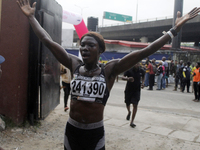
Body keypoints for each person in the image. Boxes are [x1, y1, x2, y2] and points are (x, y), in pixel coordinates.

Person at [17, 1, 200, 149]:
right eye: (82, 45)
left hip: (95, 133)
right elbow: (47, 41)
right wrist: (32, 18)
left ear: (100, 50)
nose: (84, 48)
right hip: (72, 130)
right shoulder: (74, 64)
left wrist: (173, 30)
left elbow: (146, 50)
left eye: (90, 45)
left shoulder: (109, 70)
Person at [122, 63, 145, 128]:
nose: (137, 65)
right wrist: (128, 79)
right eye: (135, 64)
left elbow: (143, 76)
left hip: (136, 90)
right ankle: (129, 112)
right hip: (129, 90)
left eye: (138, 64)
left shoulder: (141, 71)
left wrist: (143, 83)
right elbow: (123, 77)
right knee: (127, 103)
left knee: (135, 104)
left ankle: (132, 121)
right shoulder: (129, 70)